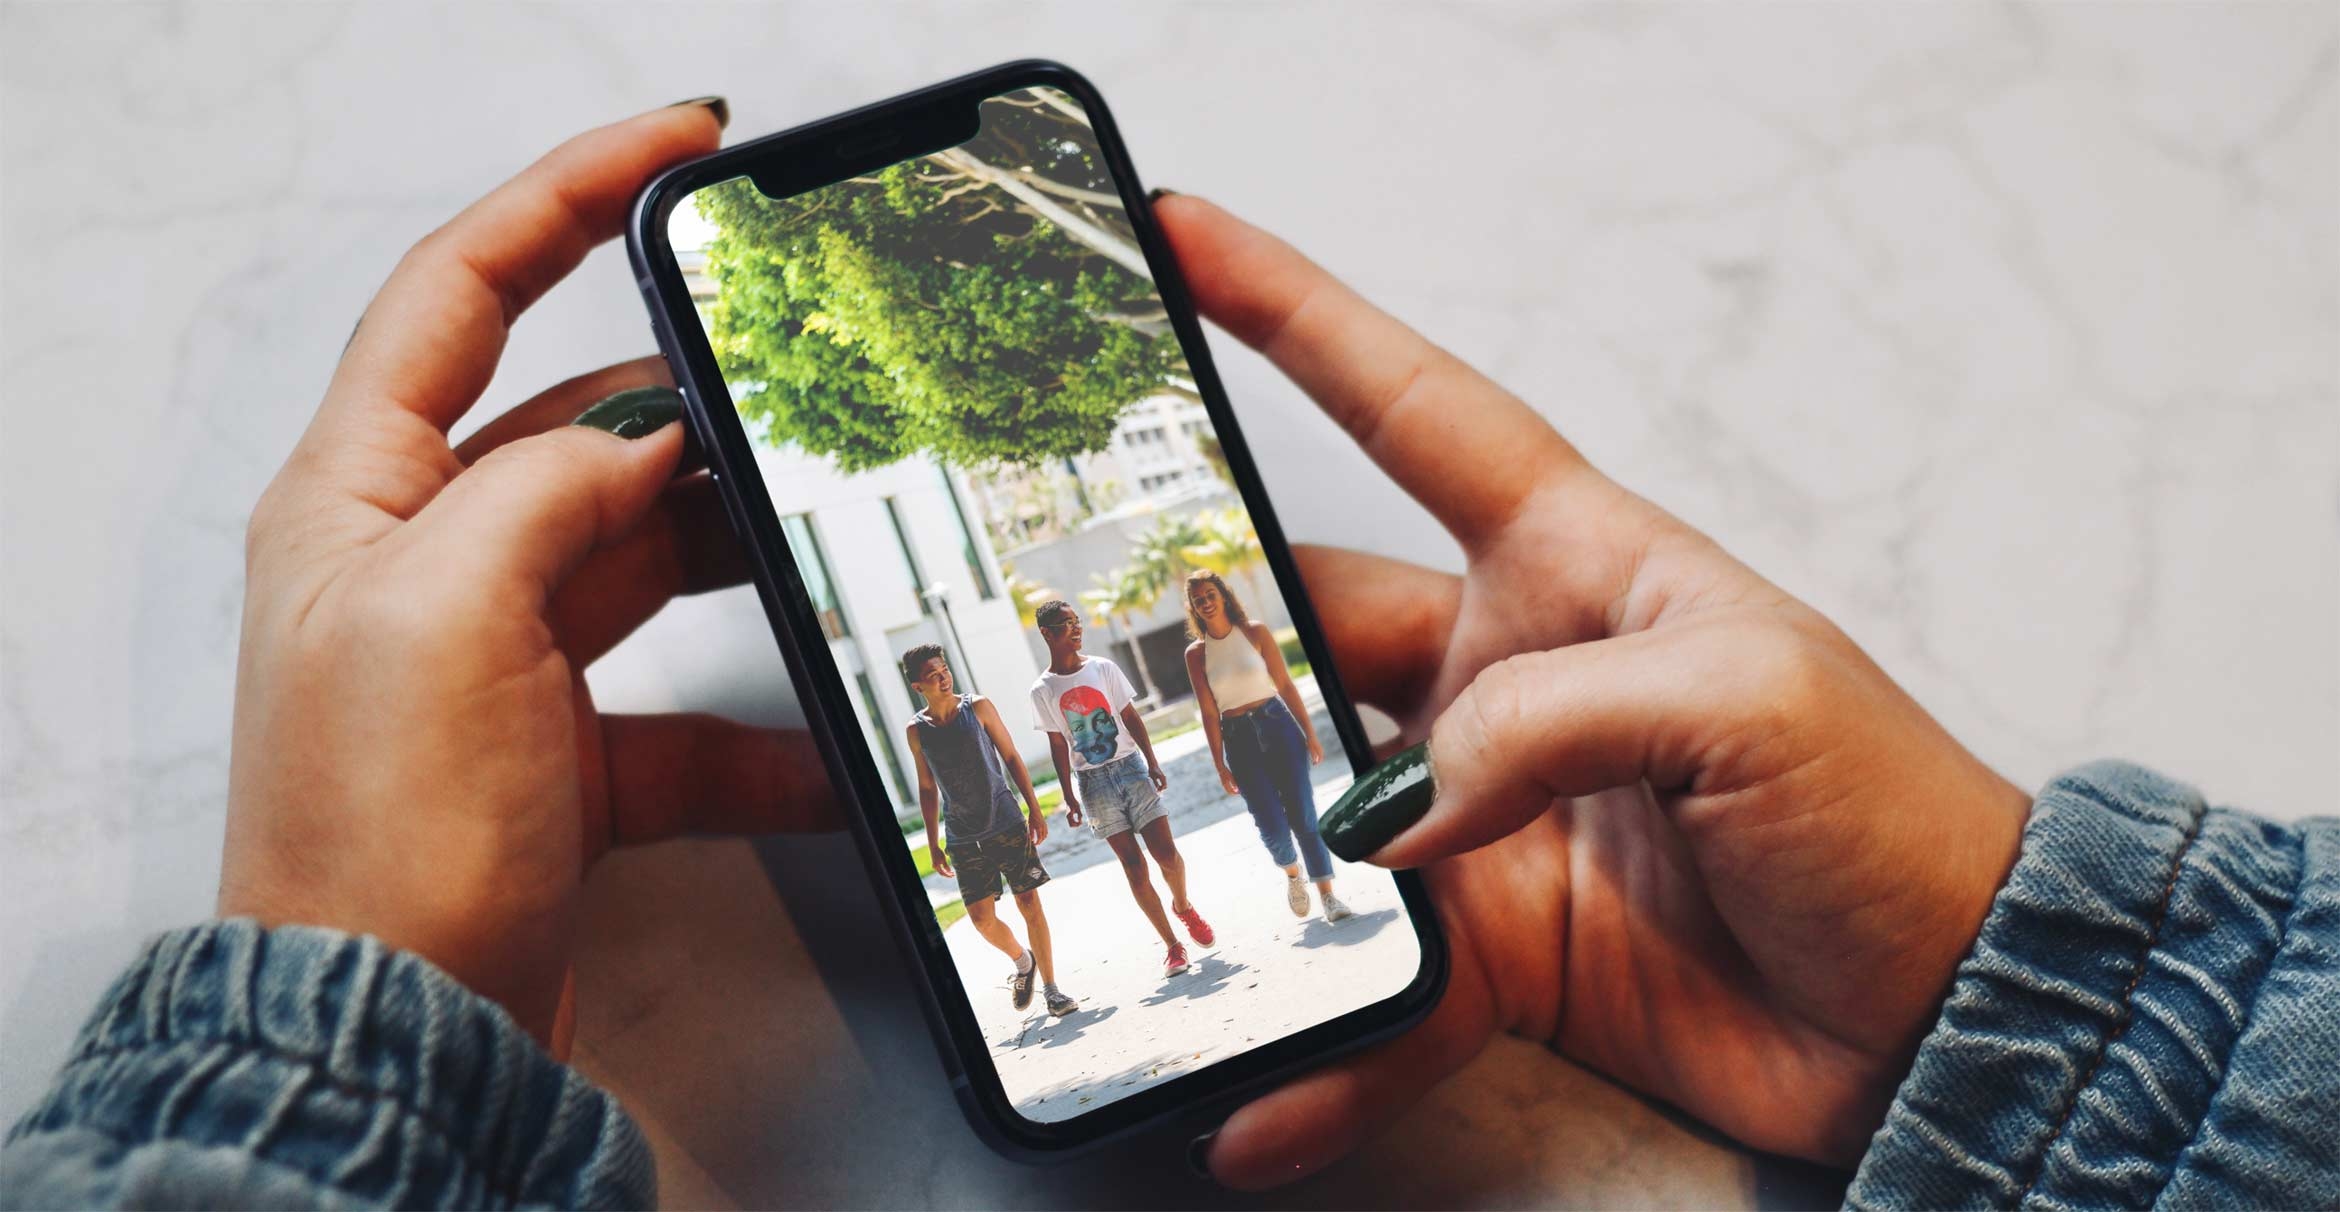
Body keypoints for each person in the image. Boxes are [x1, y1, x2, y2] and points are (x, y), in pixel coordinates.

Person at [0, 102, 2331, 1211]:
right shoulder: (973, 690)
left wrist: (333, 1027)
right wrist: (2068, 1038)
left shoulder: (1169, 652)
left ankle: (1188, 928)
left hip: (1167, 762)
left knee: (1133, 874)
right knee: (1049, 893)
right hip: (1094, 777)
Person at [1028, 600, 1216, 979]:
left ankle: (1182, 905)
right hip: (1093, 785)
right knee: (1134, 867)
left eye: (1076, 621)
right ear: (1047, 634)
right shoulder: (1043, 689)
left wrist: (1153, 762)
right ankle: (1172, 946)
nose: (1076, 628)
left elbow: (1129, 717)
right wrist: (1068, 797)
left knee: (1166, 854)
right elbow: (1058, 744)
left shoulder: (1102, 668)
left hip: (1130, 768)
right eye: (1065, 624)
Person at [902, 643, 1078, 1018]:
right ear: (919, 687)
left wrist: (1034, 809)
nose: (942, 677)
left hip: (1005, 821)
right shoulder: (916, 731)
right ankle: (1022, 961)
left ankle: (1052, 989)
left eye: (944, 669)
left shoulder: (978, 707)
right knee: (981, 919)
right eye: (932, 676)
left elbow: (1011, 756)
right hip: (963, 835)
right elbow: (927, 787)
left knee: (1029, 903)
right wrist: (934, 844)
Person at [1182, 569, 1352, 923]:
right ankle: (1293, 875)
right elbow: (1209, 713)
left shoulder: (1255, 632)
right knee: (1270, 823)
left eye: (1210, 594)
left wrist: (1310, 733)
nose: (1206, 603)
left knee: (1303, 813)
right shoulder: (1196, 655)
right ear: (1194, 608)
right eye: (1199, 600)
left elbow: (1286, 685)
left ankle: (1329, 895)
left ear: (1223, 595)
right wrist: (1219, 764)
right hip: (1237, 737)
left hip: (1278, 724)